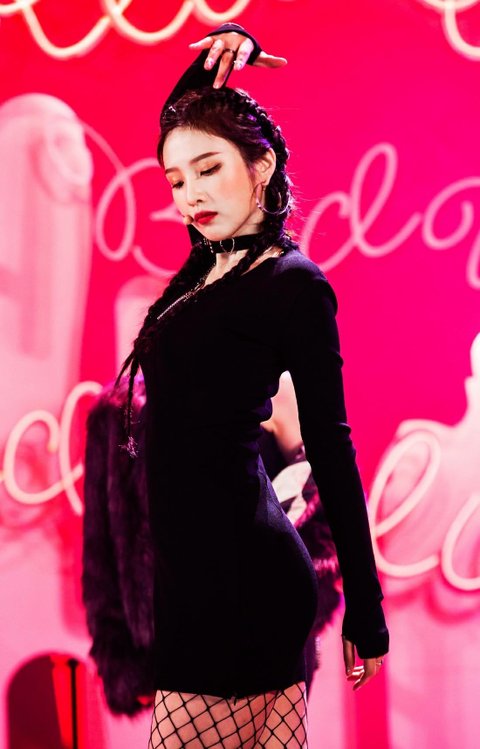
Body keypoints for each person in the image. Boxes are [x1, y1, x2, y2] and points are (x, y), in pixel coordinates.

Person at [114, 23, 389, 748]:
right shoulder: (208, 264)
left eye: (210, 169)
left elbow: (332, 447)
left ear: (260, 166)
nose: (191, 194)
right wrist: (220, 54)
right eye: (177, 180)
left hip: (242, 579)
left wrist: (366, 608)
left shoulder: (290, 283)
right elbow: (176, 125)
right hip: (192, 580)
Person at [82, 373, 341, 716]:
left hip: (268, 637)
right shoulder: (118, 409)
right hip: (180, 646)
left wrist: (294, 616)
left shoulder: (272, 386)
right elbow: (100, 553)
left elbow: (325, 520)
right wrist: (123, 664)